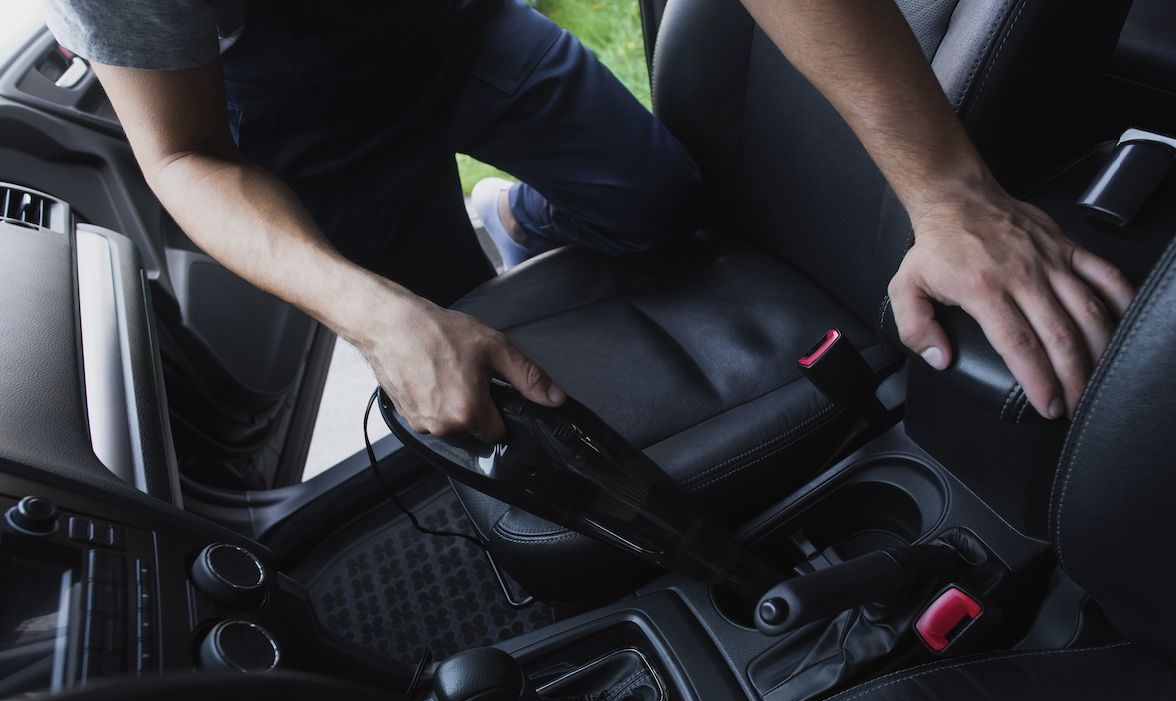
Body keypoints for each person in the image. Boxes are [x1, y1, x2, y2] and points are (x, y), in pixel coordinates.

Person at [44, 0, 1133, 447]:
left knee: (661, 204)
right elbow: (183, 153)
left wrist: (947, 190)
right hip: (303, 113)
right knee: (470, 358)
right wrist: (379, 315)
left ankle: (515, 214)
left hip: (460, 31)